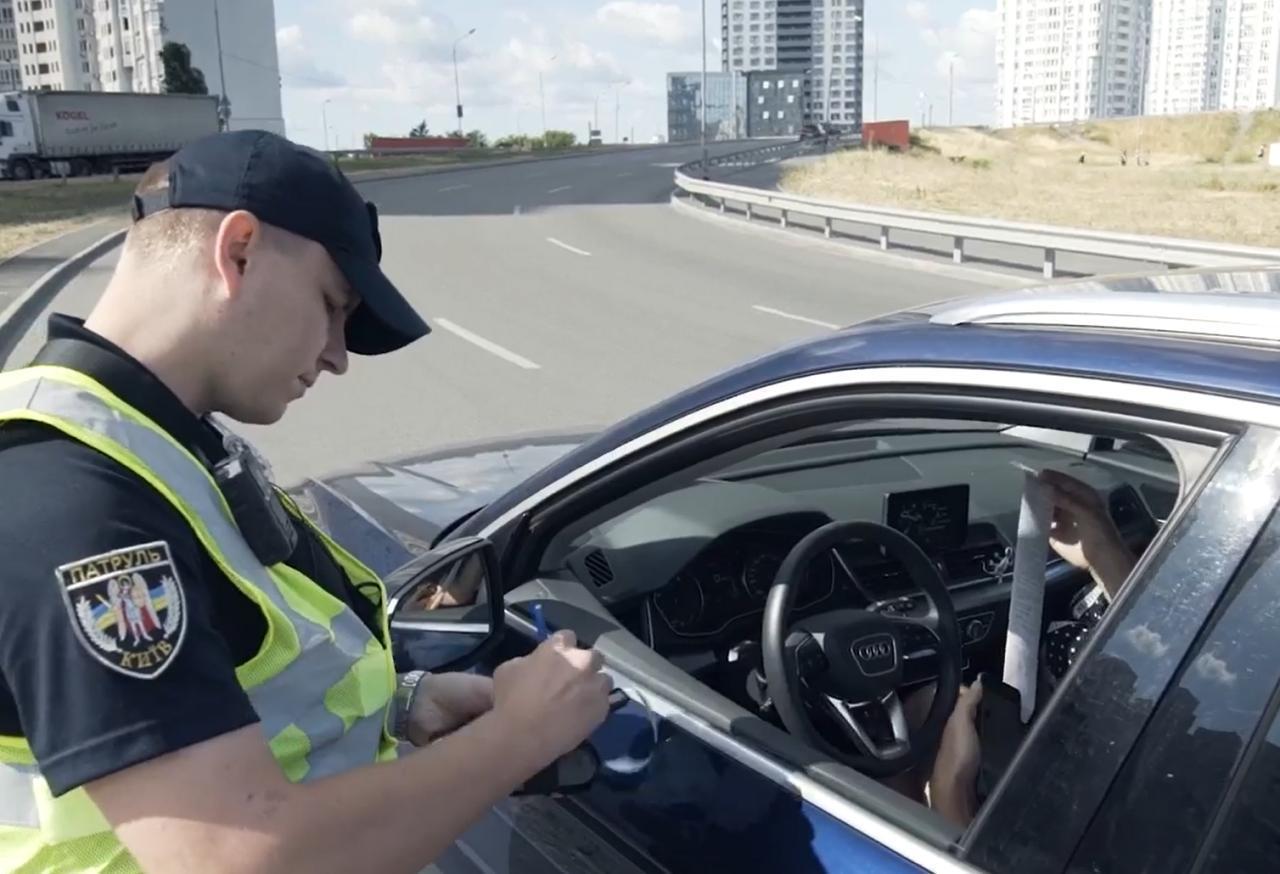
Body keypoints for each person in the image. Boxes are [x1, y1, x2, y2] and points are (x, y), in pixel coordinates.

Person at [0, 130, 613, 873]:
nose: (337, 355)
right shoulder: (72, 498)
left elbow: (233, 681)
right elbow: (235, 855)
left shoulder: (157, 441)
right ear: (239, 253)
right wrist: (519, 736)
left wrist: (404, 702)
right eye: (331, 305)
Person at [920, 467, 1140, 827]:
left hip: (1047, 797)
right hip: (1052, 750)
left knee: (923, 712)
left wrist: (950, 788)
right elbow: (1166, 653)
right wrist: (1104, 552)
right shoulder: (1200, 671)